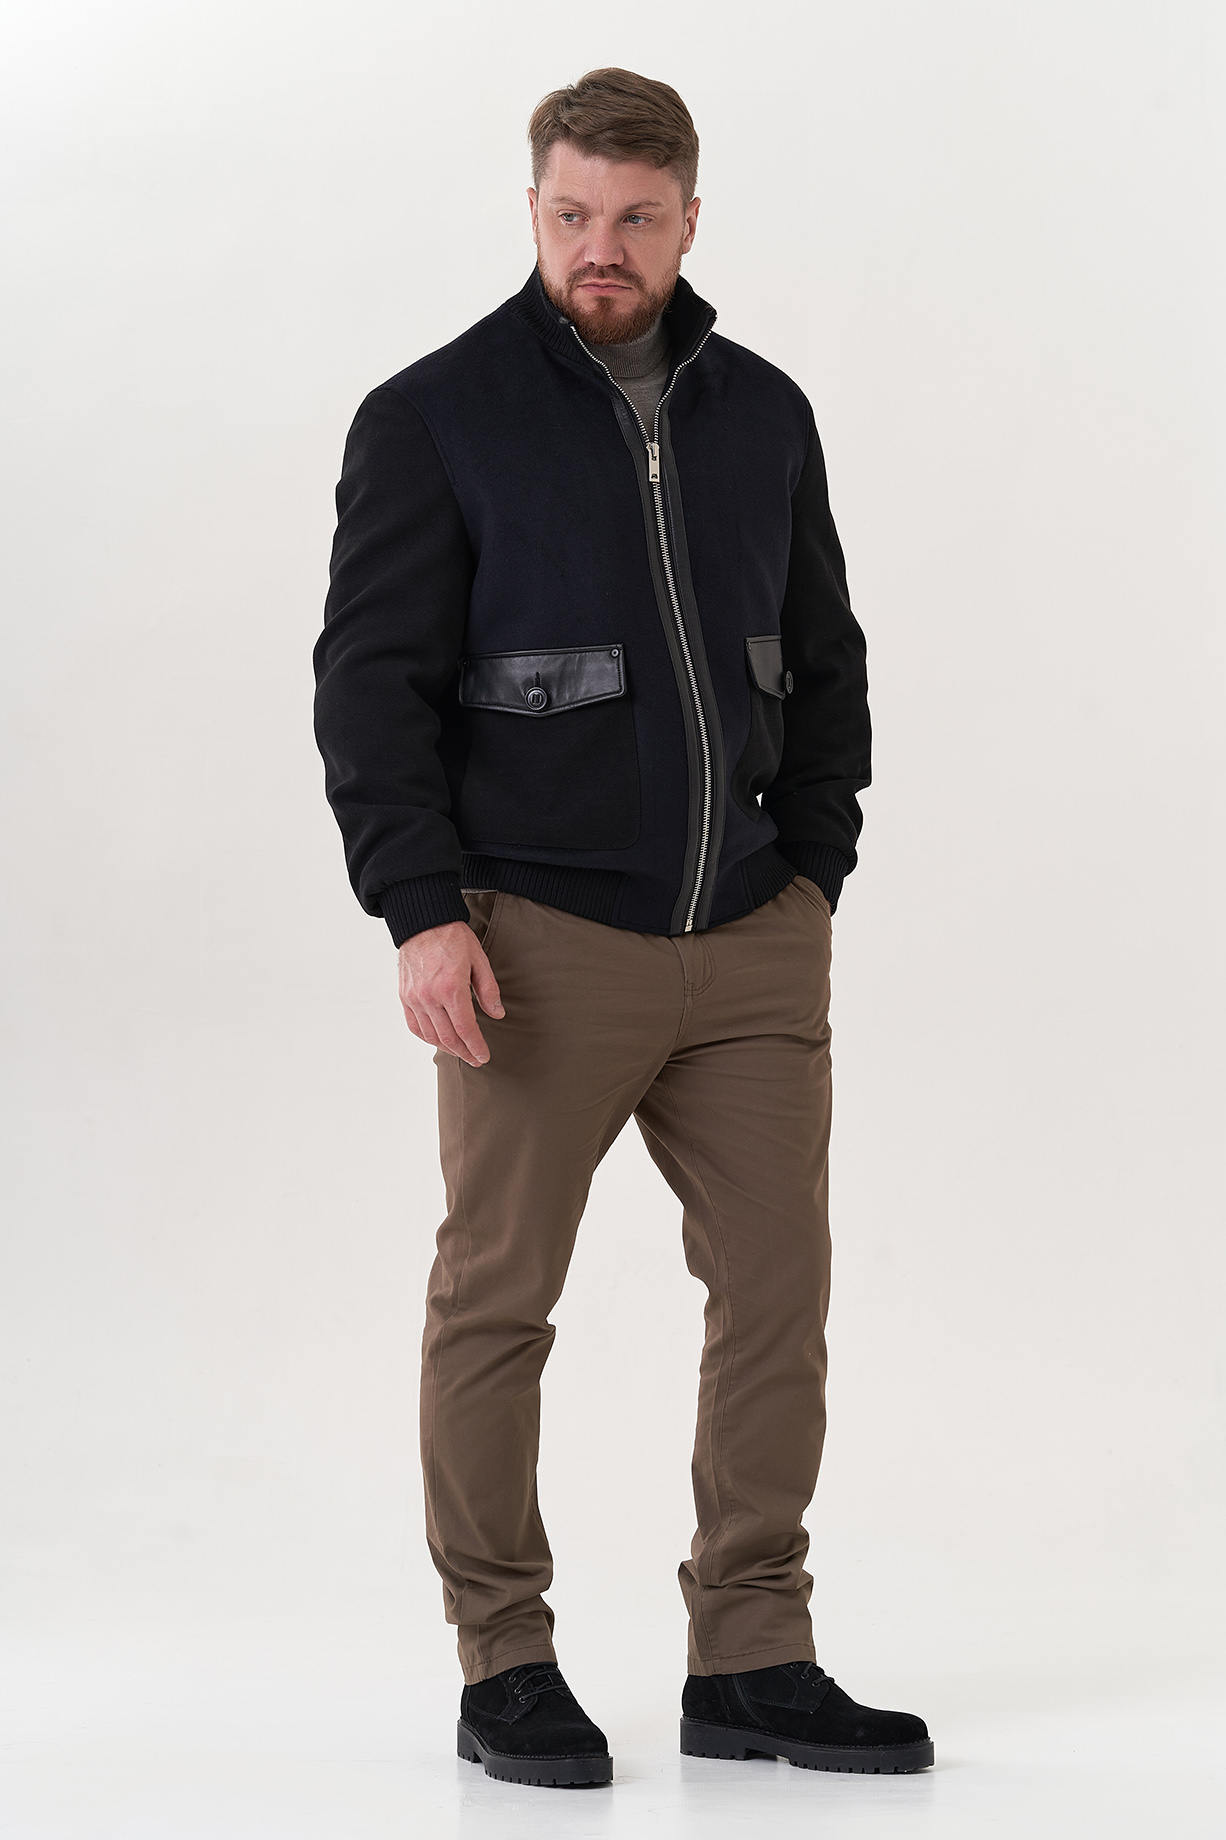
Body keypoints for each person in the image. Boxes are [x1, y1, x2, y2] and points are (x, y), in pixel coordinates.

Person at [313, 66, 932, 1789]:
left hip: (749, 937)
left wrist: (812, 868)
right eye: (574, 214)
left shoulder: (764, 412)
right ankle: (503, 1660)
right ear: (532, 210)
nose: (604, 247)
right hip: (535, 942)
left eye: (637, 219)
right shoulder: (432, 417)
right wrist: (422, 912)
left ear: (687, 219)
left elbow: (827, 658)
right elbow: (368, 690)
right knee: (498, 1302)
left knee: (778, 1294)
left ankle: (751, 1655)